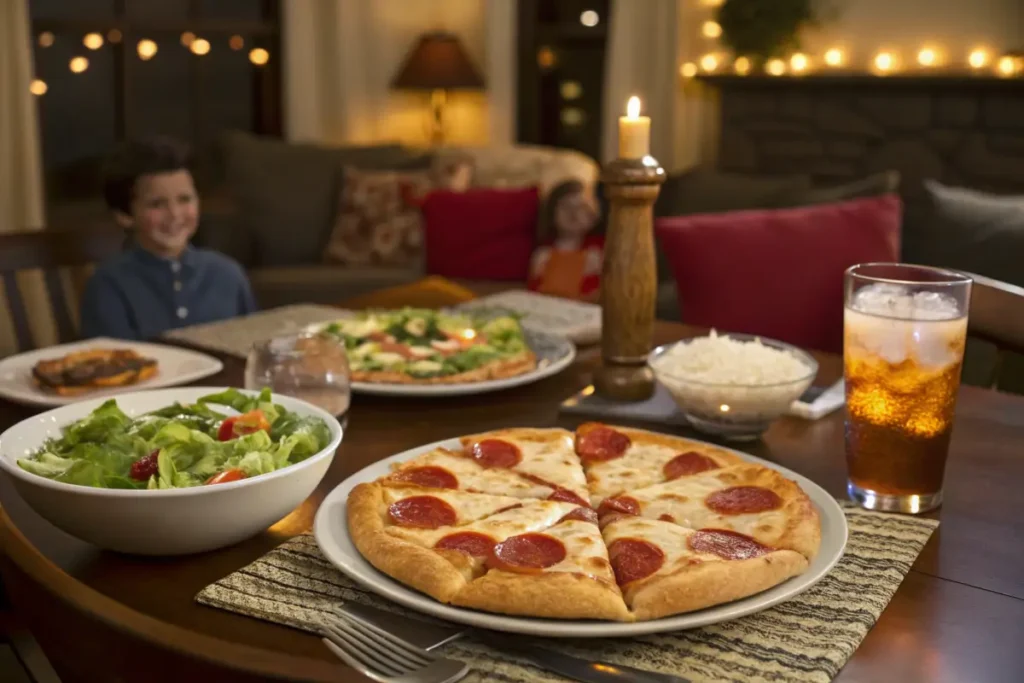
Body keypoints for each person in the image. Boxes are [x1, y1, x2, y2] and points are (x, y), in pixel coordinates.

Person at [80, 137, 257, 340]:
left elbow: (252, 350)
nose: (174, 214)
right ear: (125, 215)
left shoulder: (229, 275)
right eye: (156, 204)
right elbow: (109, 362)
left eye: (184, 199)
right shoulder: (108, 285)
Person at [527, 179, 604, 302]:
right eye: (565, 207)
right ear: (552, 213)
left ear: (594, 215)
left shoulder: (599, 250)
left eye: (582, 207)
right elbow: (535, 295)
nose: (573, 214)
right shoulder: (543, 253)